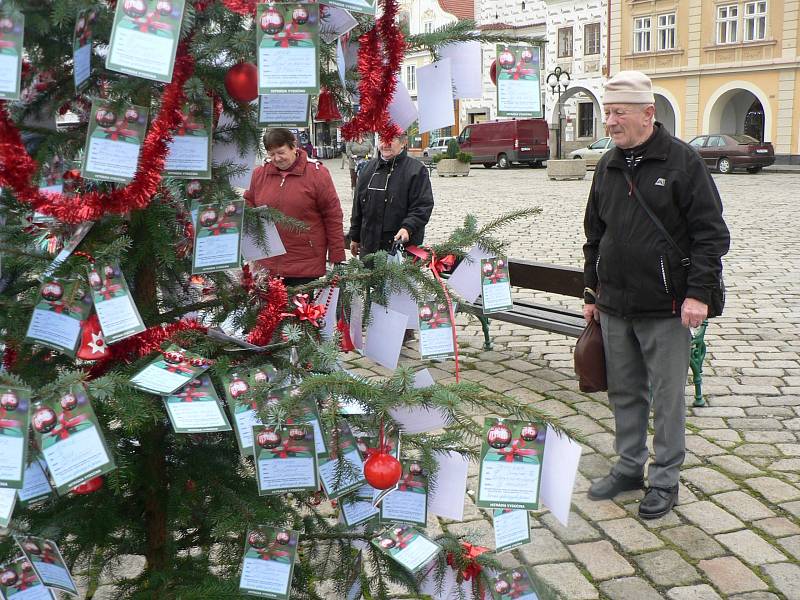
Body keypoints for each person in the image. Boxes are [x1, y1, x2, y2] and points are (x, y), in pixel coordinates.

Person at [582, 71, 730, 519]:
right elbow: (594, 232)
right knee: (624, 391)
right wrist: (592, 289)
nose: (609, 121)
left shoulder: (682, 162)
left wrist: (698, 294)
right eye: (607, 112)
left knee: (667, 397)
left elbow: (710, 234)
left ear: (648, 113)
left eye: (618, 113)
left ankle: (664, 479)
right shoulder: (608, 164)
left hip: (667, 307)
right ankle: (629, 466)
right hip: (615, 305)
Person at [245, 128, 346, 286]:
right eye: (271, 154)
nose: (276, 158)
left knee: (302, 309)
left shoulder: (317, 174)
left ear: (294, 146)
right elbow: (248, 205)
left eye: (281, 152)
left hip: (305, 264)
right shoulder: (259, 174)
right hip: (268, 264)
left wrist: (337, 255)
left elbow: (332, 216)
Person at [348, 132, 433, 258]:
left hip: (401, 249)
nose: (385, 144)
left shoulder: (416, 170)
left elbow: (422, 206)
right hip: (369, 248)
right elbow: (358, 207)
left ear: (403, 142)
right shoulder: (367, 169)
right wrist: (355, 237)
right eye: (382, 139)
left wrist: (407, 227)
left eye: (391, 138)